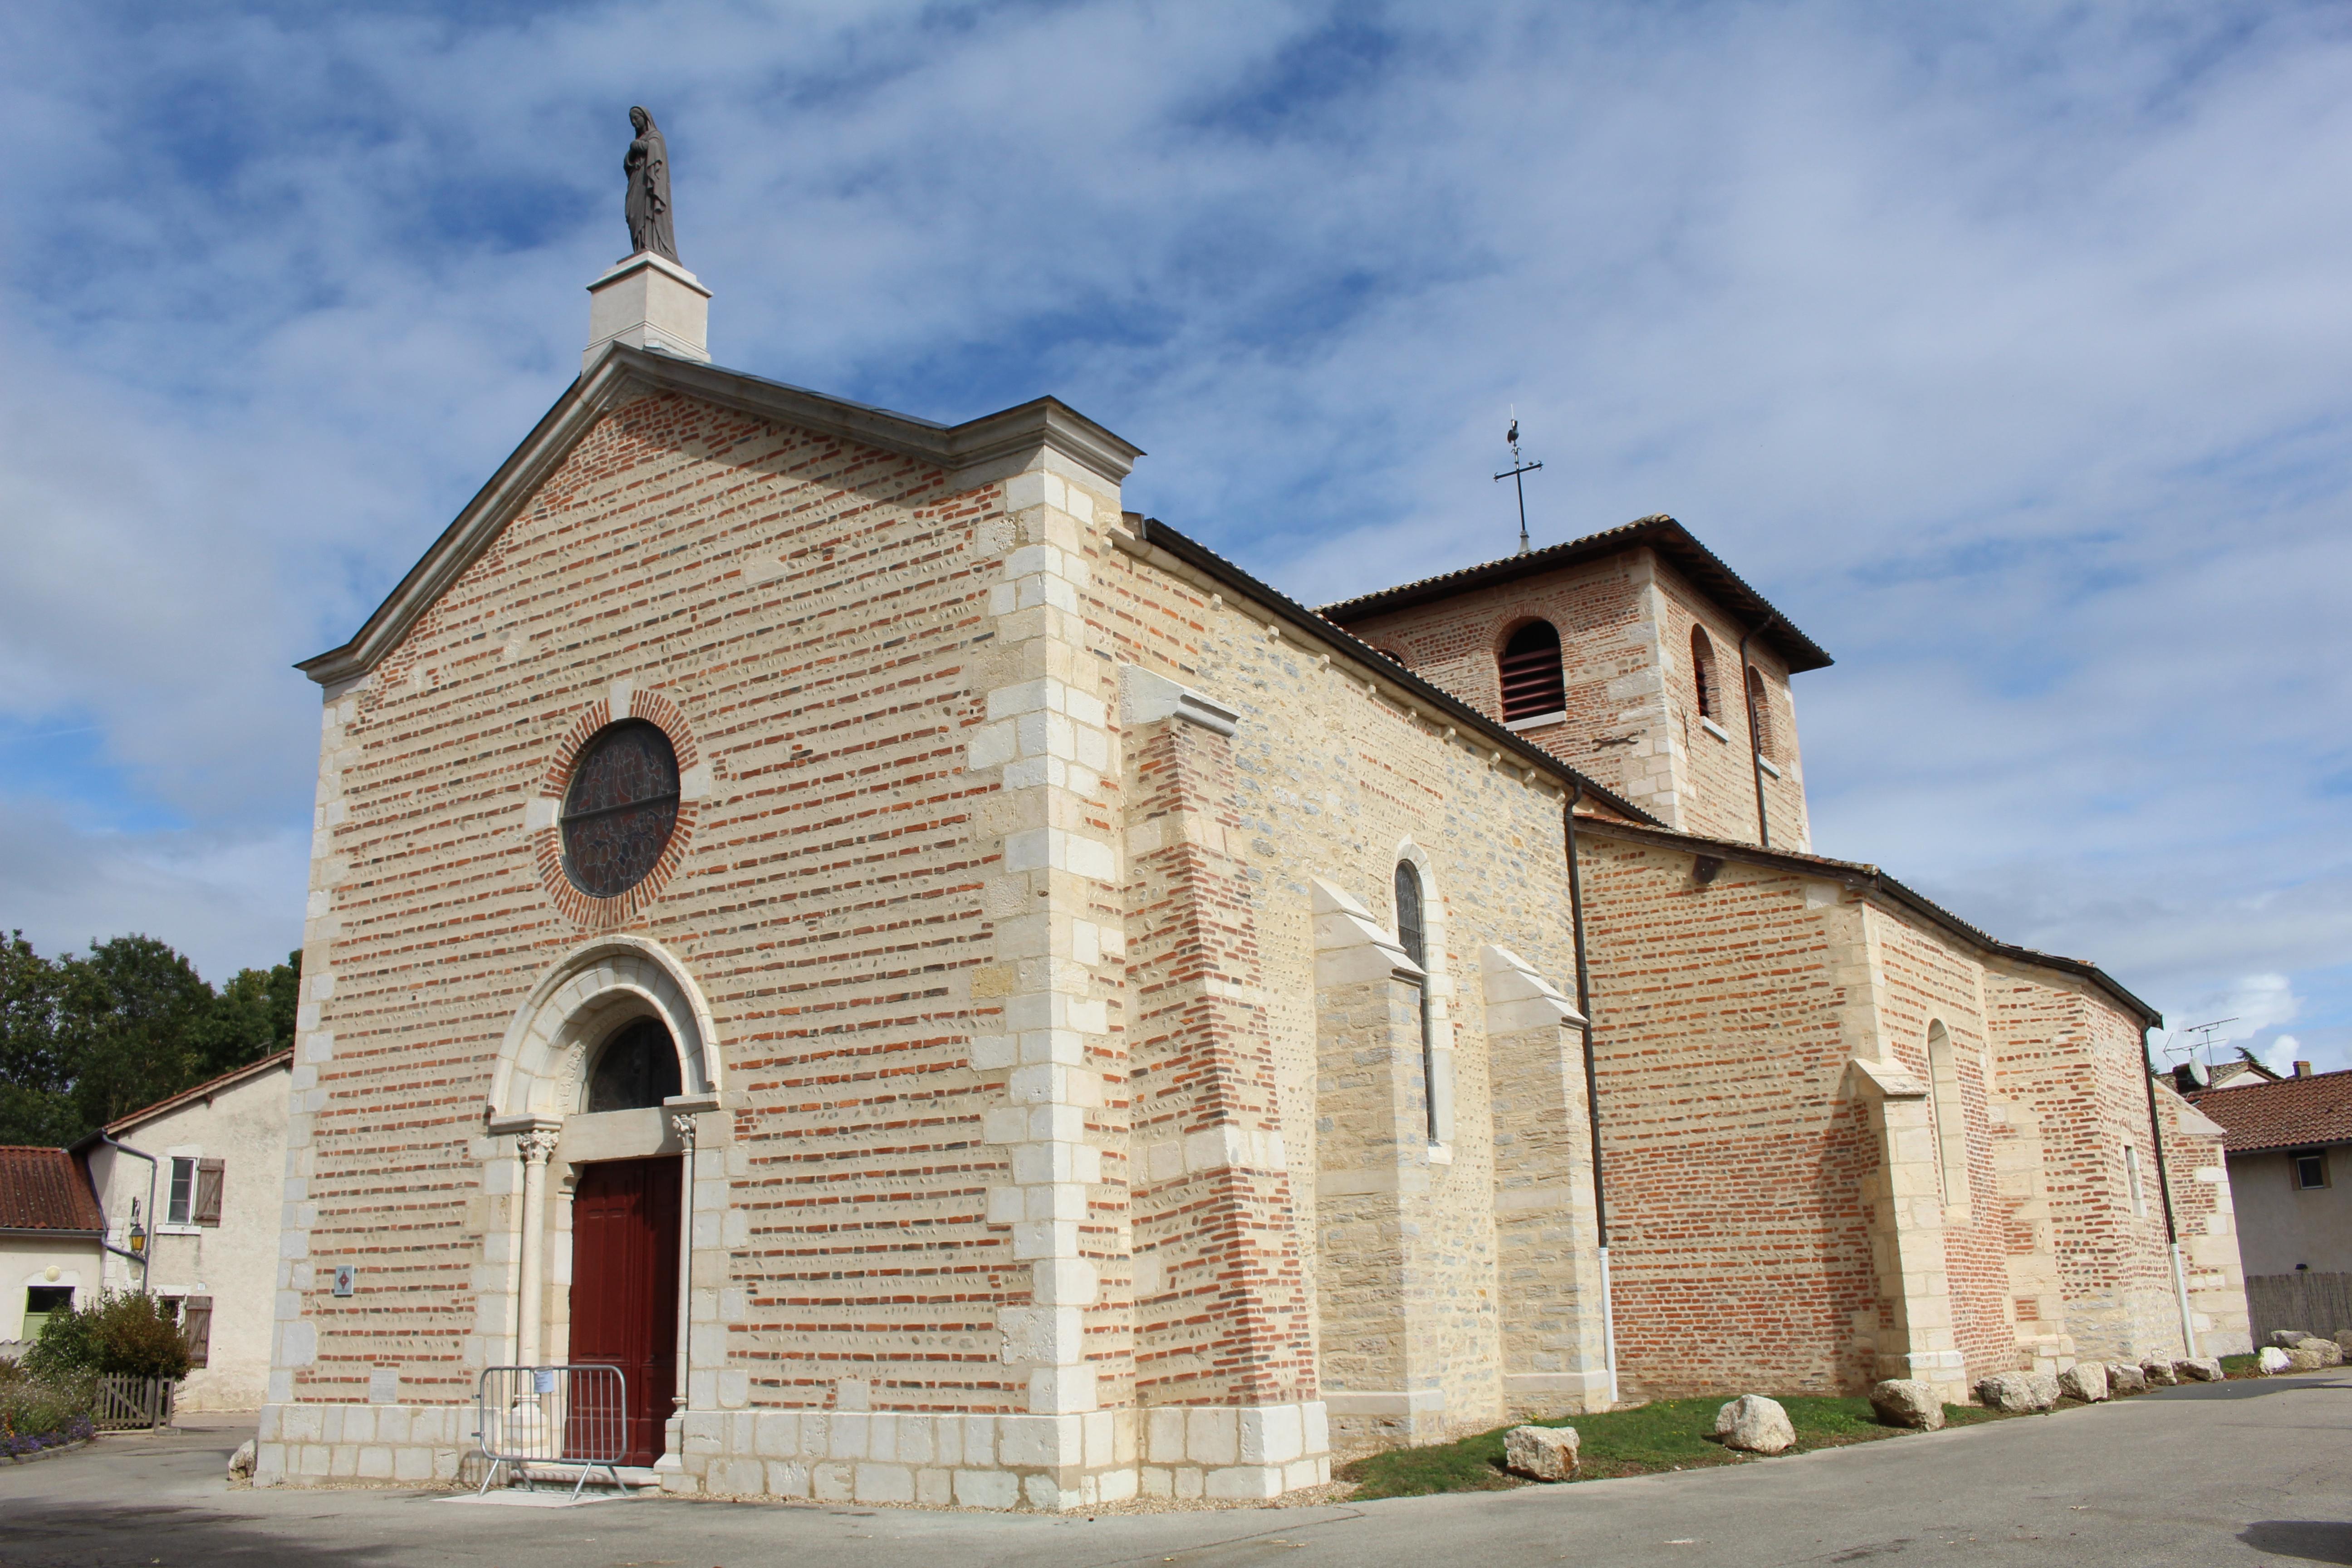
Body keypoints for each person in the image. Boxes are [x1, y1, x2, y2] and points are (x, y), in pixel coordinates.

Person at [624, 106, 678, 262]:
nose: (634, 122)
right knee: (633, 214)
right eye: (632, 120)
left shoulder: (656, 136)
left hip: (649, 182)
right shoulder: (638, 141)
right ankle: (640, 245)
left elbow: (654, 150)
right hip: (637, 181)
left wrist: (638, 146)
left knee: (648, 211)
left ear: (645, 118)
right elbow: (628, 164)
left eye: (637, 118)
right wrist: (632, 153)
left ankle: (651, 243)